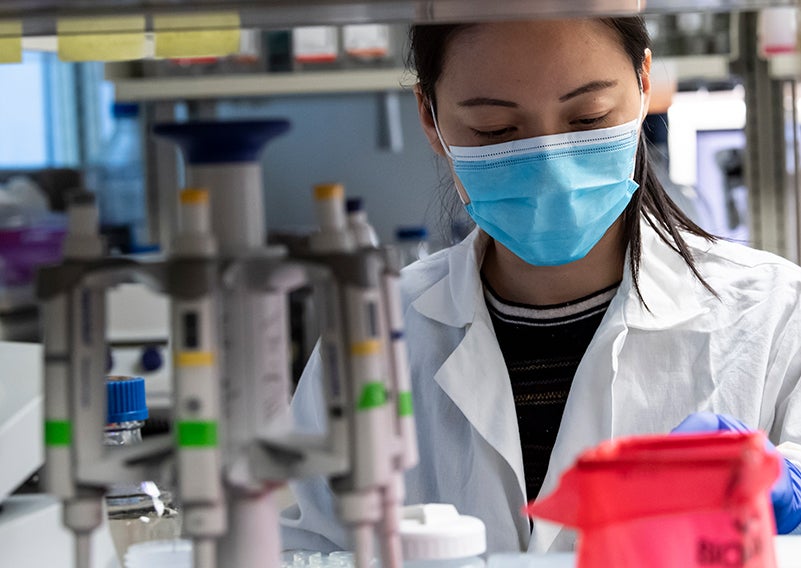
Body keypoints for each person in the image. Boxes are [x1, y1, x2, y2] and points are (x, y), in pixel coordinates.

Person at [281, 16, 801, 554]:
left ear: (644, 82)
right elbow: (303, 550)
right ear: (430, 118)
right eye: (495, 129)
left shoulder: (777, 317)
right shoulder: (373, 334)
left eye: (588, 118)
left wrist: (789, 493)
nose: (551, 167)